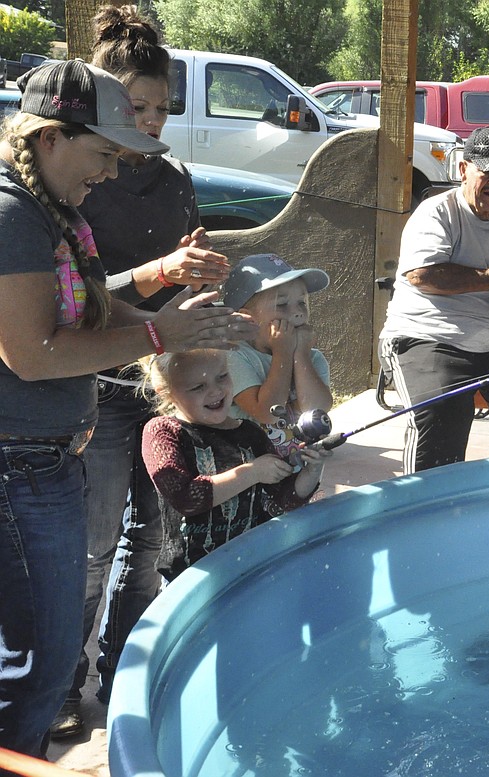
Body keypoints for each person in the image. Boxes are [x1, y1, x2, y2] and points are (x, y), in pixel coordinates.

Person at [0, 58, 253, 760]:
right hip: (16, 469)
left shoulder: (47, 210)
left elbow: (78, 300)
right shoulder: (13, 215)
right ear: (51, 137)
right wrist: (157, 332)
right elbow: (33, 351)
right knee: (36, 666)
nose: (111, 171)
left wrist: (162, 291)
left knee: (39, 663)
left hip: (39, 459)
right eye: (105, 151)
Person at [51, 5, 235, 739]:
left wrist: (202, 280)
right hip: (100, 385)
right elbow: (83, 304)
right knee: (93, 543)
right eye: (137, 108)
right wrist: (159, 274)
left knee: (150, 537)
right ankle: (64, 680)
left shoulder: (173, 177)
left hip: (165, 384)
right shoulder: (83, 184)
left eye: (162, 108)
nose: (152, 122)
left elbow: (176, 277)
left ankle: (124, 667)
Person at [378, 127, 489, 472]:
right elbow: (422, 275)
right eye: (487, 173)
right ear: (463, 170)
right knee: (441, 414)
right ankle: (422, 512)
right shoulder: (436, 213)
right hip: (429, 339)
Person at [140, 349, 329, 581]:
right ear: (166, 393)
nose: (215, 391)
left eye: (222, 377)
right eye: (198, 387)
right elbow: (186, 498)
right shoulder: (163, 431)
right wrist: (252, 472)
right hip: (190, 576)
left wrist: (311, 469)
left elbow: (283, 501)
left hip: (249, 566)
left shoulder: (250, 433)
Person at [222, 253, 333, 461]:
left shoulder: (312, 358)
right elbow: (267, 413)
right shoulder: (234, 357)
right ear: (247, 318)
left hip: (296, 465)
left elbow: (316, 409)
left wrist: (300, 354)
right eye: (282, 305)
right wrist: (282, 353)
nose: (298, 313)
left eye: (302, 303)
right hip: (249, 466)